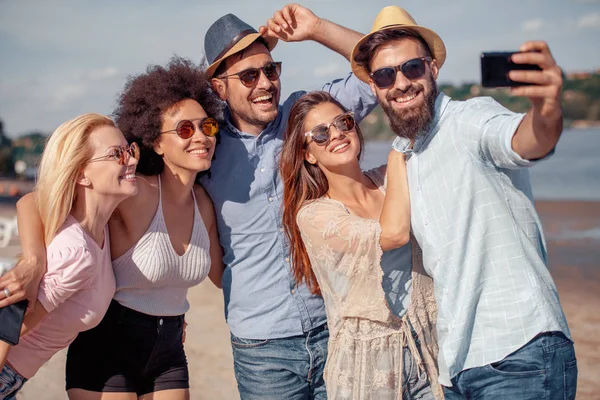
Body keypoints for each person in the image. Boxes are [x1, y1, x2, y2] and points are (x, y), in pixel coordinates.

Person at [350, 6, 576, 399]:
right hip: (457, 365)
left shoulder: (469, 120)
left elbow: (525, 140)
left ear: (433, 68)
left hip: (519, 352)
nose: (400, 82)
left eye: (412, 68)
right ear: (374, 88)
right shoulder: (406, 152)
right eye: (386, 75)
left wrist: (548, 109)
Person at [5, 57, 225, 400]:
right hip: (109, 347)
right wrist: (33, 261)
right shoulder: (132, 191)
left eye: (207, 127)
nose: (200, 136)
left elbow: (222, 276)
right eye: (184, 129)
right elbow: (35, 200)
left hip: (169, 350)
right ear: (156, 141)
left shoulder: (204, 203)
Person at [199, 5, 379, 399]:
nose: (265, 82)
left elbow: (374, 74)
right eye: (248, 75)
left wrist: (316, 29)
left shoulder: (304, 116)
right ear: (219, 87)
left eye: (270, 69)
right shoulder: (204, 150)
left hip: (334, 324)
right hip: (262, 349)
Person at [279, 91, 443, 399]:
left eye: (343, 122)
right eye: (320, 133)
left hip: (429, 350)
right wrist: (398, 153)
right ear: (308, 154)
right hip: (366, 368)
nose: (337, 134)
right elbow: (393, 235)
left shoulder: (387, 180)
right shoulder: (314, 215)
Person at [0, 113, 139, 399]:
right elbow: (5, 324)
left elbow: (31, 200)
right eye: (116, 154)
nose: (132, 160)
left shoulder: (98, 229)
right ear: (80, 174)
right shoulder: (77, 252)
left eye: (130, 150)